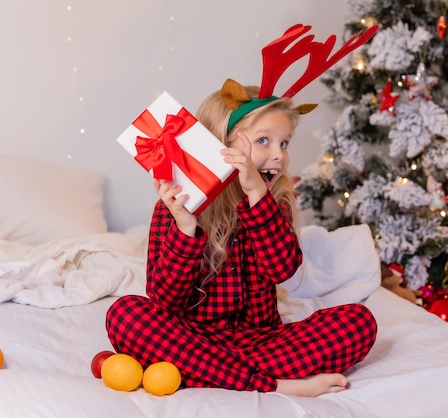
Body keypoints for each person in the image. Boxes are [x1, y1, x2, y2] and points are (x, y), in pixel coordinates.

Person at [106, 79, 377, 397]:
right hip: (190, 335)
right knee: (126, 314)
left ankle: (201, 371)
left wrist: (258, 198)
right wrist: (185, 227)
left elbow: (283, 270)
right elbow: (165, 301)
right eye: (264, 141)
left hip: (262, 339)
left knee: (359, 321)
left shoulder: (275, 202)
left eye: (284, 143)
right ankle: (275, 385)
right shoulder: (175, 205)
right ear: (219, 144)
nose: (279, 155)